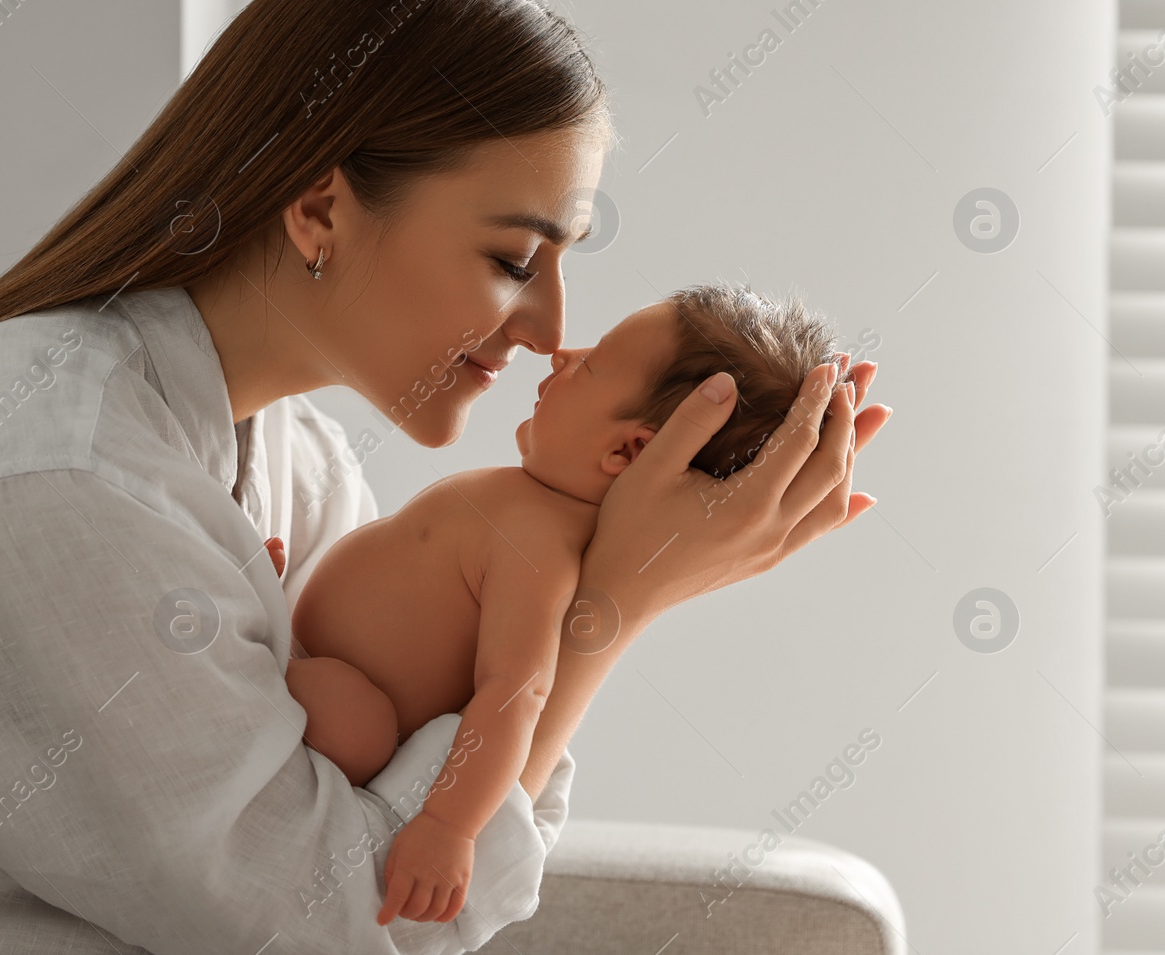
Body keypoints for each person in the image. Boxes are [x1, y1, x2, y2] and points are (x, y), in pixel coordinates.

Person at [0, 0, 889, 954]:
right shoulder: (45, 480)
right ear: (318, 209)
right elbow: (343, 920)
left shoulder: (286, 454)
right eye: (515, 260)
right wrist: (607, 609)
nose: (549, 329)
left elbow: (406, 824)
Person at [282, 283, 861, 927]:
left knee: (351, 724)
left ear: (628, 451)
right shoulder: (526, 508)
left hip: (354, 728)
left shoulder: (542, 546)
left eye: (590, 364)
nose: (561, 355)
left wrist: (450, 825)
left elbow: (514, 694)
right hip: (312, 654)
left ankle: (268, 653)